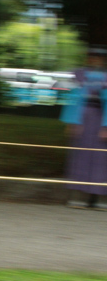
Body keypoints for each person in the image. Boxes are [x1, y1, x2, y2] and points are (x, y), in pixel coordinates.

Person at [60, 45, 107, 210]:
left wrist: (106, 126)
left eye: (99, 57)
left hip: (101, 117)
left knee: (102, 158)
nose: (95, 59)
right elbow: (72, 97)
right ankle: (78, 195)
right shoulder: (78, 74)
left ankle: (100, 197)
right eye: (92, 56)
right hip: (82, 119)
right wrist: (73, 121)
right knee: (80, 155)